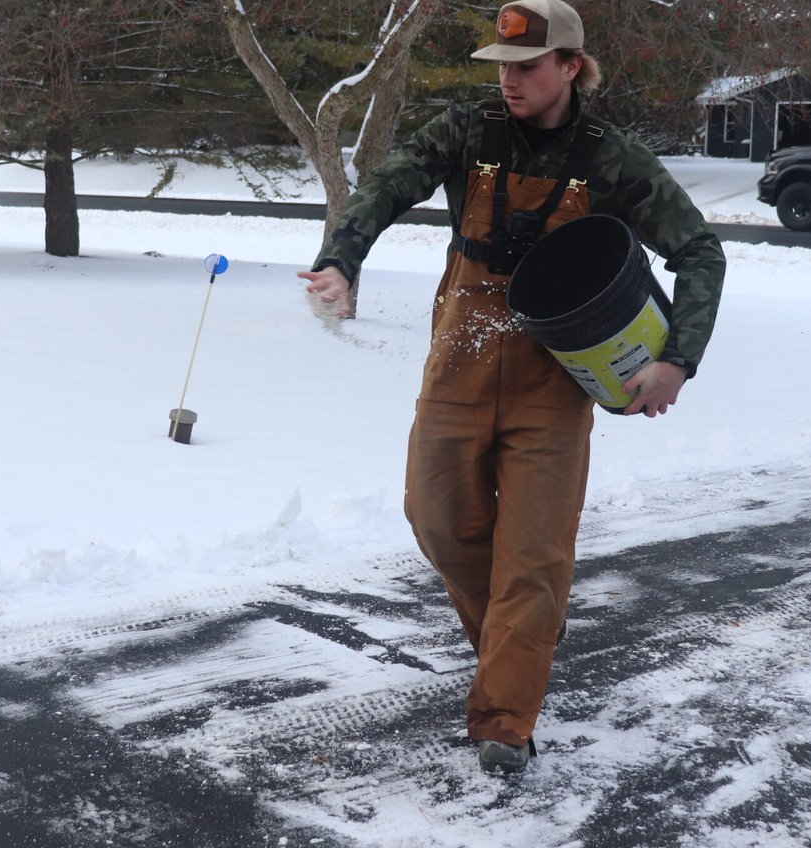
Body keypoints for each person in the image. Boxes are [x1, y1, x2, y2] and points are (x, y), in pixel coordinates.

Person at [297, 0, 726, 774]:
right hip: (457, 367)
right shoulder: (469, 133)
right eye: (502, 67)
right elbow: (390, 183)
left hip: (551, 389)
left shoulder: (613, 158)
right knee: (437, 520)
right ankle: (525, 634)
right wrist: (343, 256)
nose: (510, 82)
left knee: (532, 560)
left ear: (571, 67)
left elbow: (700, 251)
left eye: (526, 68)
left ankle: (504, 722)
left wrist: (676, 361)